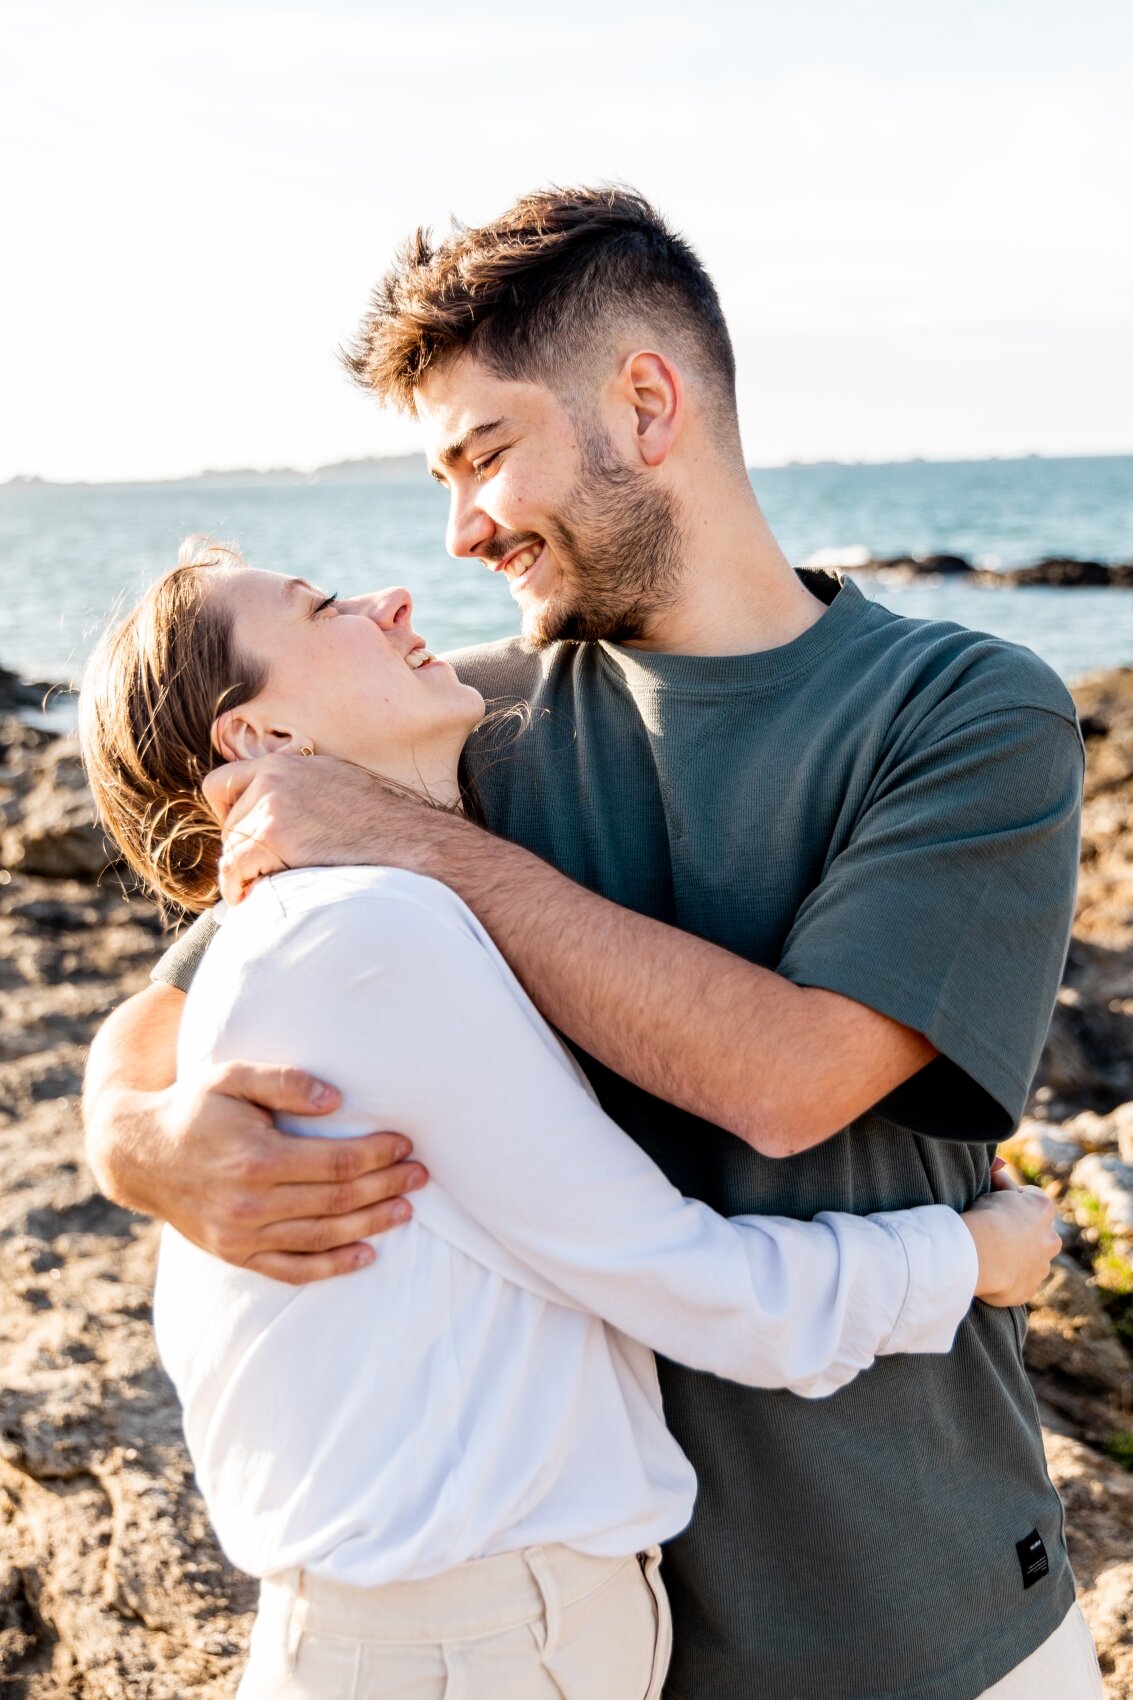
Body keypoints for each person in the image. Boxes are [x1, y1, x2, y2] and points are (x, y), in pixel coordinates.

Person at [84, 188, 1100, 1699]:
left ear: (643, 401)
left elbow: (792, 1075)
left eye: (482, 454)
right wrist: (141, 1146)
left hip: (910, 1600)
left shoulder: (961, 711)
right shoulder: (443, 722)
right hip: (581, 1632)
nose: (460, 527)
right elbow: (171, 1017)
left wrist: (432, 848)